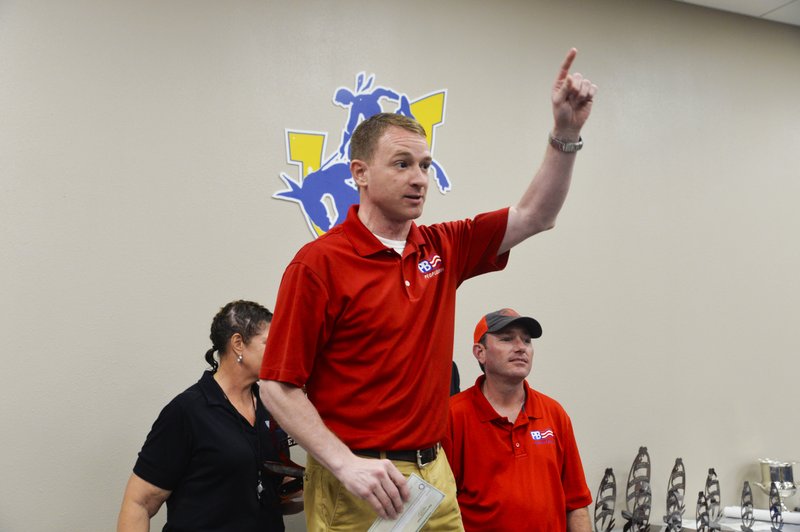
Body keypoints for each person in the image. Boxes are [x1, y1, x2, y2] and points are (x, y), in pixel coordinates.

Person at [259, 48, 597, 531]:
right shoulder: (319, 264)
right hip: (361, 477)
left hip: (433, 474)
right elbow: (277, 385)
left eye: (425, 164)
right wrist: (344, 464)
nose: (419, 179)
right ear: (359, 173)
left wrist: (566, 134)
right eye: (402, 164)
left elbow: (536, 216)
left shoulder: (442, 245)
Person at [117, 300, 299, 532]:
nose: (281, 351)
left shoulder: (271, 406)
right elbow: (138, 503)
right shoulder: (187, 411)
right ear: (238, 344)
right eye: (270, 342)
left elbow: (269, 490)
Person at [442, 309, 592, 532]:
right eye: (506, 338)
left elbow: (577, 502)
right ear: (480, 352)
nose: (521, 347)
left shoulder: (553, 413)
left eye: (527, 340)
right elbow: (439, 506)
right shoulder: (452, 416)